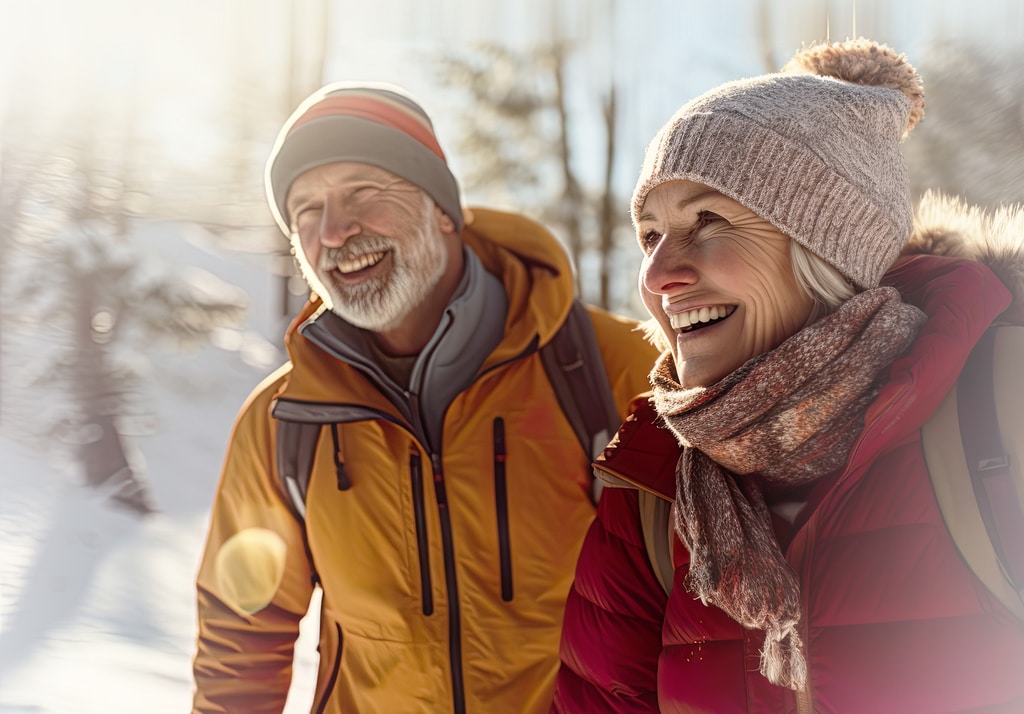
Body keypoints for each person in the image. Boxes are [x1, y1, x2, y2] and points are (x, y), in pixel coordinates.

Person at [553, 38, 1024, 712]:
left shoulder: (1002, 408)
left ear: (826, 247)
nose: (658, 276)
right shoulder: (655, 486)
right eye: (650, 235)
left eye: (707, 221)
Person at [191, 82, 657, 714]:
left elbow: (705, 615)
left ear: (444, 209)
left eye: (363, 192)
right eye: (306, 210)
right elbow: (240, 634)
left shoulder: (615, 373)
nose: (334, 229)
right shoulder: (283, 422)